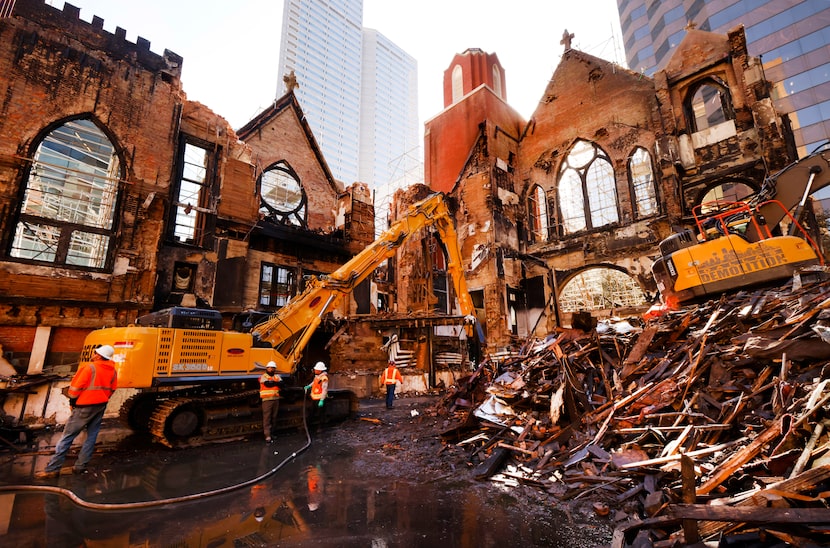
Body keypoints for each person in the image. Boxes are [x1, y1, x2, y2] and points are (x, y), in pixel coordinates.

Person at [36, 344, 118, 478]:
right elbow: (112, 389)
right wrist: (102, 398)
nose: (93, 354)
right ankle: (80, 466)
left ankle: (52, 469)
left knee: (67, 437)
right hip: (100, 405)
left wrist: (72, 401)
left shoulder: (89, 368)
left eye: (95, 352)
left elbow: (75, 388)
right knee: (91, 437)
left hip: (83, 407)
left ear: (98, 355)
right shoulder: (113, 371)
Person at [259, 361, 282, 443]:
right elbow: (268, 384)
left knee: (274, 417)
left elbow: (281, 384)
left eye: (273, 368)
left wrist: (274, 383)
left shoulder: (277, 376)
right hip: (267, 400)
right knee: (267, 418)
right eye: (269, 367)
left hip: (276, 399)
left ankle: (272, 433)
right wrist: (276, 383)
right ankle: (267, 435)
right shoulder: (263, 377)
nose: (271, 369)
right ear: (267, 368)